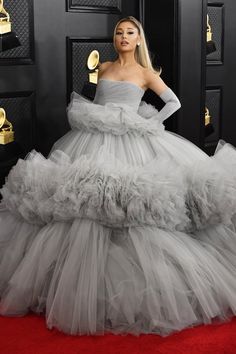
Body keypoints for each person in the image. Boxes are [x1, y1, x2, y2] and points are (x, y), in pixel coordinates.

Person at [0, 16, 236, 337]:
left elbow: (173, 102)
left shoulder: (145, 73)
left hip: (132, 140)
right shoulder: (106, 66)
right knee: (85, 199)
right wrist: (98, 115)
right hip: (94, 138)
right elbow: (97, 102)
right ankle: (77, 280)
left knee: (129, 202)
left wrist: (146, 122)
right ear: (115, 39)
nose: (123, 37)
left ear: (139, 40)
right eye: (119, 33)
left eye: (130, 33)